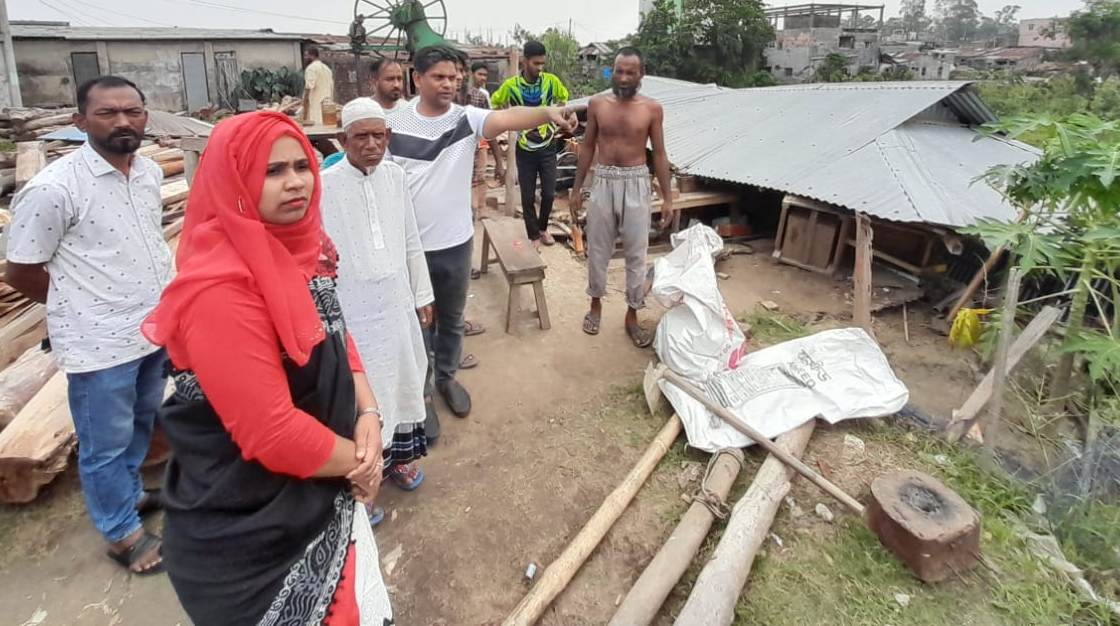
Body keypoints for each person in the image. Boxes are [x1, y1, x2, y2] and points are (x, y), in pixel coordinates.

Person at [146, 111, 393, 624]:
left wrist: (368, 413)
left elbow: (336, 335)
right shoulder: (219, 289)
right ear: (233, 179)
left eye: (302, 165)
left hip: (321, 485)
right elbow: (271, 431)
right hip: (254, 531)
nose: (296, 182)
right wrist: (363, 463)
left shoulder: (303, 249)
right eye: (272, 171)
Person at [5, 76, 171, 575]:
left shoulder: (147, 174)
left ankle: (131, 496)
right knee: (104, 443)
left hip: (150, 331)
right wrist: (78, 308)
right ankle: (122, 535)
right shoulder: (53, 189)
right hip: (99, 345)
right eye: (107, 113)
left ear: (145, 117)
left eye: (132, 111)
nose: (123, 121)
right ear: (80, 122)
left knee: (141, 425)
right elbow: (22, 271)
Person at [386, 45, 576, 423]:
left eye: (454, 77)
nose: (449, 84)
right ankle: (421, 397)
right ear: (417, 78)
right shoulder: (392, 123)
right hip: (410, 248)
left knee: (453, 319)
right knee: (417, 323)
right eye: (439, 77)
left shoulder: (467, 118)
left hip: (456, 242)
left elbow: (508, 118)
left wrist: (546, 112)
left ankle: (447, 378)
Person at [321, 99, 433, 488]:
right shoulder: (324, 185)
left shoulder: (396, 176)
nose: (372, 144)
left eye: (379, 135)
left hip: (395, 301)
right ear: (342, 139)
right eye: (361, 136)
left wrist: (422, 294)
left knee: (403, 376)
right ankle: (364, 479)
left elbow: (410, 238)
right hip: (351, 309)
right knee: (361, 393)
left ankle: (399, 462)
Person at [571, 48, 673, 348]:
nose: (624, 77)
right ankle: (595, 305)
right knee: (598, 249)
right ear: (612, 71)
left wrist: (667, 198)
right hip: (603, 181)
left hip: (637, 181)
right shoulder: (597, 104)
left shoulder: (652, 109)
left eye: (631, 72)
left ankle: (632, 314)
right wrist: (577, 190)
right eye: (619, 71)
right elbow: (587, 147)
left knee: (636, 253)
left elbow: (661, 154)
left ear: (641, 75)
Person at [491, 40, 570, 248]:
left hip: (548, 147)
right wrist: (509, 122)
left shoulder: (551, 82)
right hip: (524, 149)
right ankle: (533, 235)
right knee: (526, 195)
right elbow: (496, 104)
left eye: (543, 64)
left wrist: (556, 121)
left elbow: (564, 98)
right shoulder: (511, 86)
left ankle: (543, 229)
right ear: (525, 62)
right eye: (536, 63)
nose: (540, 68)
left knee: (549, 193)